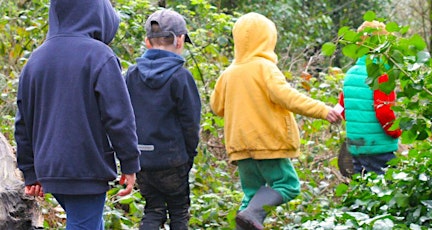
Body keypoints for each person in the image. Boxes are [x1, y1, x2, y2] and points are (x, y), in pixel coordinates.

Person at [14, 0, 141, 229]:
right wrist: (130, 163)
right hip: (86, 169)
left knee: (88, 221)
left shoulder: (35, 60)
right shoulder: (100, 55)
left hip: (50, 169)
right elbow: (119, 117)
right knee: (85, 223)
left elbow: (23, 123)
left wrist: (31, 171)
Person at [210, 12, 343, 230]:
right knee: (287, 185)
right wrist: (322, 110)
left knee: (252, 195)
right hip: (267, 142)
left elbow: (217, 107)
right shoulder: (265, 68)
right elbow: (288, 98)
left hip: (240, 146)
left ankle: (247, 220)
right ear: (267, 39)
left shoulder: (228, 73)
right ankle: (252, 215)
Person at [124, 9, 201, 230]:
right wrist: (188, 156)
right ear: (179, 40)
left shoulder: (131, 75)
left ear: (147, 42)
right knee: (178, 211)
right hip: (172, 160)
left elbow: (123, 117)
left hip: (141, 160)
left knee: (153, 209)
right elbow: (190, 123)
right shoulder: (181, 77)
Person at [338, 20, 402, 175]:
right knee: (383, 191)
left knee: (363, 187)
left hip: (356, 146)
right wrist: (396, 132)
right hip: (379, 147)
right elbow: (384, 113)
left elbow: (342, 109)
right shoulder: (381, 74)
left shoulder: (350, 74)